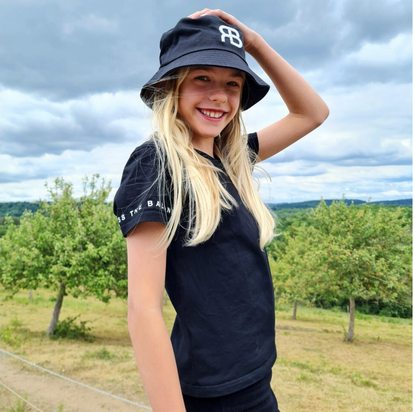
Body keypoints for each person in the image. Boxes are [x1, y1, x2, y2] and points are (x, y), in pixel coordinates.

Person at [113, 8, 329, 412]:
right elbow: (143, 310)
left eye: (233, 83)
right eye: (202, 78)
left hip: (256, 382)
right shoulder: (155, 164)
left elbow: (312, 113)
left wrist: (254, 43)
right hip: (214, 397)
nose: (219, 96)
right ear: (172, 86)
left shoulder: (232, 157)